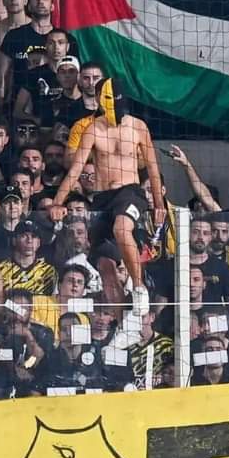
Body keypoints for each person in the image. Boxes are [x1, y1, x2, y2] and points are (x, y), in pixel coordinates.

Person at [51, 79, 165, 316]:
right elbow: (76, 169)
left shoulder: (137, 126)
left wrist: (159, 204)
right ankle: (120, 320)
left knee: (121, 229)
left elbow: (153, 168)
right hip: (103, 198)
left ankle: (139, 287)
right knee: (104, 264)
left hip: (130, 191)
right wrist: (57, 202)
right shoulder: (93, 129)